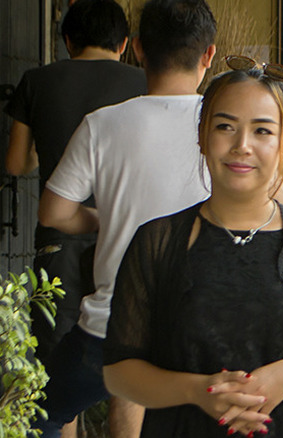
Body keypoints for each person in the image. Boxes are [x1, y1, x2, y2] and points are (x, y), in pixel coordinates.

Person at [101, 66, 283, 438]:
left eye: (262, 130)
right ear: (202, 136)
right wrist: (198, 391)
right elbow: (120, 372)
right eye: (225, 126)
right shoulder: (158, 241)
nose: (241, 145)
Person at [34, 0, 217, 436]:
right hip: (206, 326)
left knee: (36, 414)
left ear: (136, 49)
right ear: (208, 55)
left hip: (111, 328)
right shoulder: (227, 125)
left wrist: (104, 219)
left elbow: (53, 212)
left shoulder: (102, 125)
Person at [4, 0, 146, 364]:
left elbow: (16, 163)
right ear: (125, 43)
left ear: (68, 41)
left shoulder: (36, 81)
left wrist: (47, 149)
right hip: (125, 233)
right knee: (127, 350)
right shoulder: (145, 85)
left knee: (61, 360)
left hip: (59, 236)